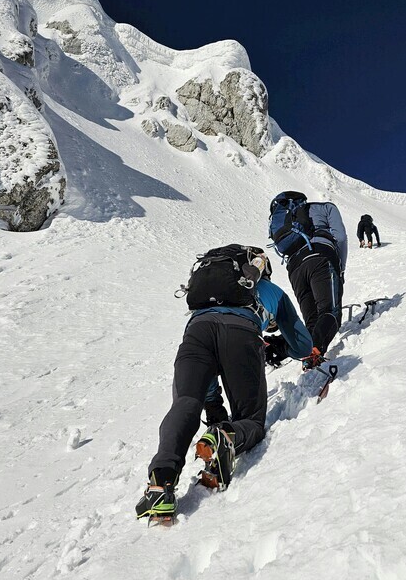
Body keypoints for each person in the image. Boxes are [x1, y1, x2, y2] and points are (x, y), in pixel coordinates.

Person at [136, 245, 312, 523]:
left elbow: (204, 382)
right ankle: (227, 437)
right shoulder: (270, 291)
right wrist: (281, 346)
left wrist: (215, 408)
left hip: (197, 331)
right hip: (242, 335)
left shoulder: (204, 300)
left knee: (185, 404)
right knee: (251, 422)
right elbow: (303, 345)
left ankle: (160, 484)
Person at [267, 191, 348, 368]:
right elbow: (340, 237)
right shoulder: (325, 207)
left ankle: (290, 349)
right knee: (330, 311)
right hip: (320, 256)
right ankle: (315, 350)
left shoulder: (285, 221)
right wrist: (340, 268)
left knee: (312, 319)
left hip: (294, 267)